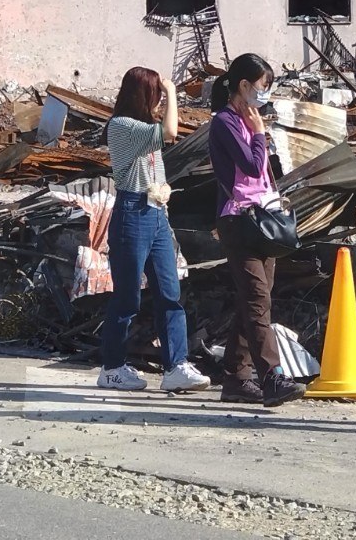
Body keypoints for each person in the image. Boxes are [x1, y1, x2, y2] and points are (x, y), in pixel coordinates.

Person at [98, 66, 210, 393]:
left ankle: (176, 365)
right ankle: (112, 367)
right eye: (156, 94)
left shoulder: (144, 127)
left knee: (169, 291)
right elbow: (170, 132)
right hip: (132, 212)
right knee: (127, 296)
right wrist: (173, 91)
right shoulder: (122, 126)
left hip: (156, 211)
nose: (159, 101)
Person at [208, 53, 306, 408]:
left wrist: (260, 133)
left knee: (254, 299)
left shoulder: (249, 121)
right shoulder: (225, 122)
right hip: (239, 220)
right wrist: (260, 134)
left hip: (262, 217)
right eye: (263, 87)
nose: (265, 94)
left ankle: (236, 376)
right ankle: (272, 377)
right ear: (244, 85)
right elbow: (250, 165)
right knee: (256, 298)